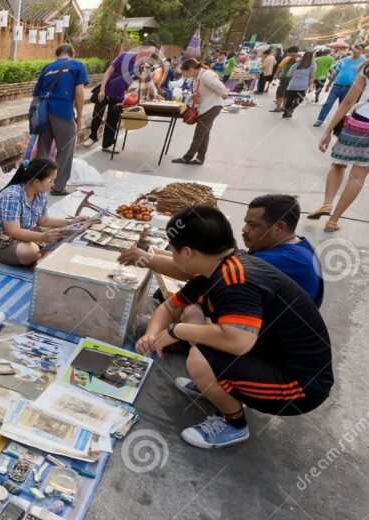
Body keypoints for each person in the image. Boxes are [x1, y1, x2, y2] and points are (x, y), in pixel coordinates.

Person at [136, 205, 333, 449]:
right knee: (196, 323)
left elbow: (238, 341)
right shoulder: (216, 267)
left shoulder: (236, 280)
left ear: (187, 252)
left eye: (173, 250)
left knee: (199, 359)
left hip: (301, 386)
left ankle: (233, 423)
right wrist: (151, 334)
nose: (173, 256)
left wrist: (176, 331)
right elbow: (170, 307)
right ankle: (217, 384)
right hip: (271, 356)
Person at [118, 194, 324, 307]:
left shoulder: (279, 261)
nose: (244, 230)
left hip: (270, 339)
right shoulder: (295, 245)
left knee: (184, 305)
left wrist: (147, 258)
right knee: (175, 297)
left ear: (279, 228)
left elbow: (195, 271)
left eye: (253, 225)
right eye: (246, 222)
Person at [0, 159, 89, 267]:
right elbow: (13, 230)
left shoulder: (41, 194)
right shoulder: (12, 196)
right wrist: (42, 237)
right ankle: (43, 256)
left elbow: (43, 220)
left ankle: (43, 257)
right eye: (50, 180)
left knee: (63, 233)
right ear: (36, 182)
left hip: (19, 234)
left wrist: (71, 222)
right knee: (30, 252)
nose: (53, 184)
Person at [312, 64, 369, 232]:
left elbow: (348, 102)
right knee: (359, 175)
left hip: (360, 121)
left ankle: (327, 203)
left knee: (338, 163)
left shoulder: (367, 67)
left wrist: (328, 131)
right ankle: (333, 221)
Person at [34, 44, 89, 196]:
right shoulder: (77, 65)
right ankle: (58, 186)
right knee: (65, 150)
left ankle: (38, 184)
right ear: (72, 53)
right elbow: (79, 92)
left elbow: (36, 94)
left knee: (43, 150)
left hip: (43, 113)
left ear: (57, 54)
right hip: (63, 112)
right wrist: (79, 117)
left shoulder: (47, 68)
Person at [89, 40, 161, 153]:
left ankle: (107, 144)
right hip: (106, 91)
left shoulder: (144, 66)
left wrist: (155, 93)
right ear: (141, 48)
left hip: (119, 96)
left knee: (113, 120)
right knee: (97, 115)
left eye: (151, 53)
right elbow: (108, 72)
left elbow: (150, 82)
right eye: (147, 51)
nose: (148, 54)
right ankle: (92, 137)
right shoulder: (124, 56)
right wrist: (102, 90)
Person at [172, 59, 230, 165]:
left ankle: (187, 157)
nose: (184, 76)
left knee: (199, 134)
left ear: (190, 69)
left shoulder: (206, 75)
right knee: (204, 134)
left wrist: (223, 95)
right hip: (208, 106)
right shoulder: (199, 76)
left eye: (184, 73)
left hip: (211, 106)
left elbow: (221, 89)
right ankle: (200, 158)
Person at [315, 42, 366, 127]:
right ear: (352, 49)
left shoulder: (364, 61)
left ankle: (337, 125)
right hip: (337, 85)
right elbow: (335, 72)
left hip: (349, 88)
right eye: (355, 47)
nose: (356, 50)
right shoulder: (344, 60)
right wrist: (328, 84)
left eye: (359, 49)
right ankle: (319, 120)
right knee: (328, 103)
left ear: (362, 50)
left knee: (342, 107)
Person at [282, 51, 314, 118]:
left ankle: (285, 113)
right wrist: (310, 87)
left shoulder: (295, 64)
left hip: (292, 85)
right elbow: (311, 77)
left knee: (289, 100)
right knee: (300, 99)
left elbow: (288, 75)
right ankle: (291, 108)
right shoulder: (312, 65)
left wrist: (295, 74)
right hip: (303, 86)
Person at [270, 46, 299, 113]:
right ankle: (283, 107)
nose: (287, 54)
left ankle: (278, 108)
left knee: (281, 93)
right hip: (294, 80)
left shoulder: (287, 58)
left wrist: (276, 74)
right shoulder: (300, 59)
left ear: (291, 52)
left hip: (285, 79)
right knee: (287, 94)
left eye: (288, 52)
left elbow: (280, 67)